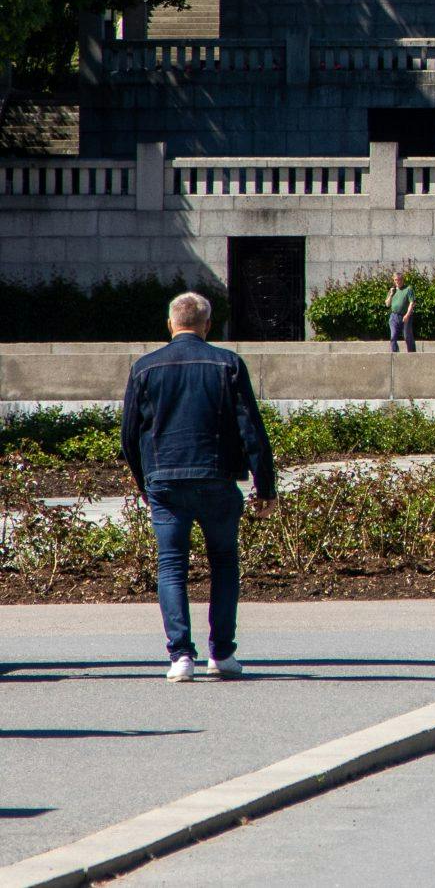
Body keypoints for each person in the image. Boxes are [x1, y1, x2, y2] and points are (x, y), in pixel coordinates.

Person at [119, 291, 278, 681]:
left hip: (165, 482)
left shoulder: (145, 368)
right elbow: (251, 431)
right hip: (216, 477)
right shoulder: (228, 364)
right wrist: (266, 486)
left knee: (171, 566)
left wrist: (145, 481)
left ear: (171, 324)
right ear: (207, 325)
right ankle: (221, 654)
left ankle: (180, 657)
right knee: (224, 563)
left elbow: (128, 436)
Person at [385, 269, 418, 353]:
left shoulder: (408, 289)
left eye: (399, 280)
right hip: (394, 316)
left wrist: (407, 315)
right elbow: (387, 304)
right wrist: (391, 294)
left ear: (402, 280)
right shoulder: (392, 290)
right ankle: (395, 354)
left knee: (407, 336)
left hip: (405, 316)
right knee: (393, 337)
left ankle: (412, 353)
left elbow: (412, 303)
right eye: (395, 280)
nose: (397, 282)